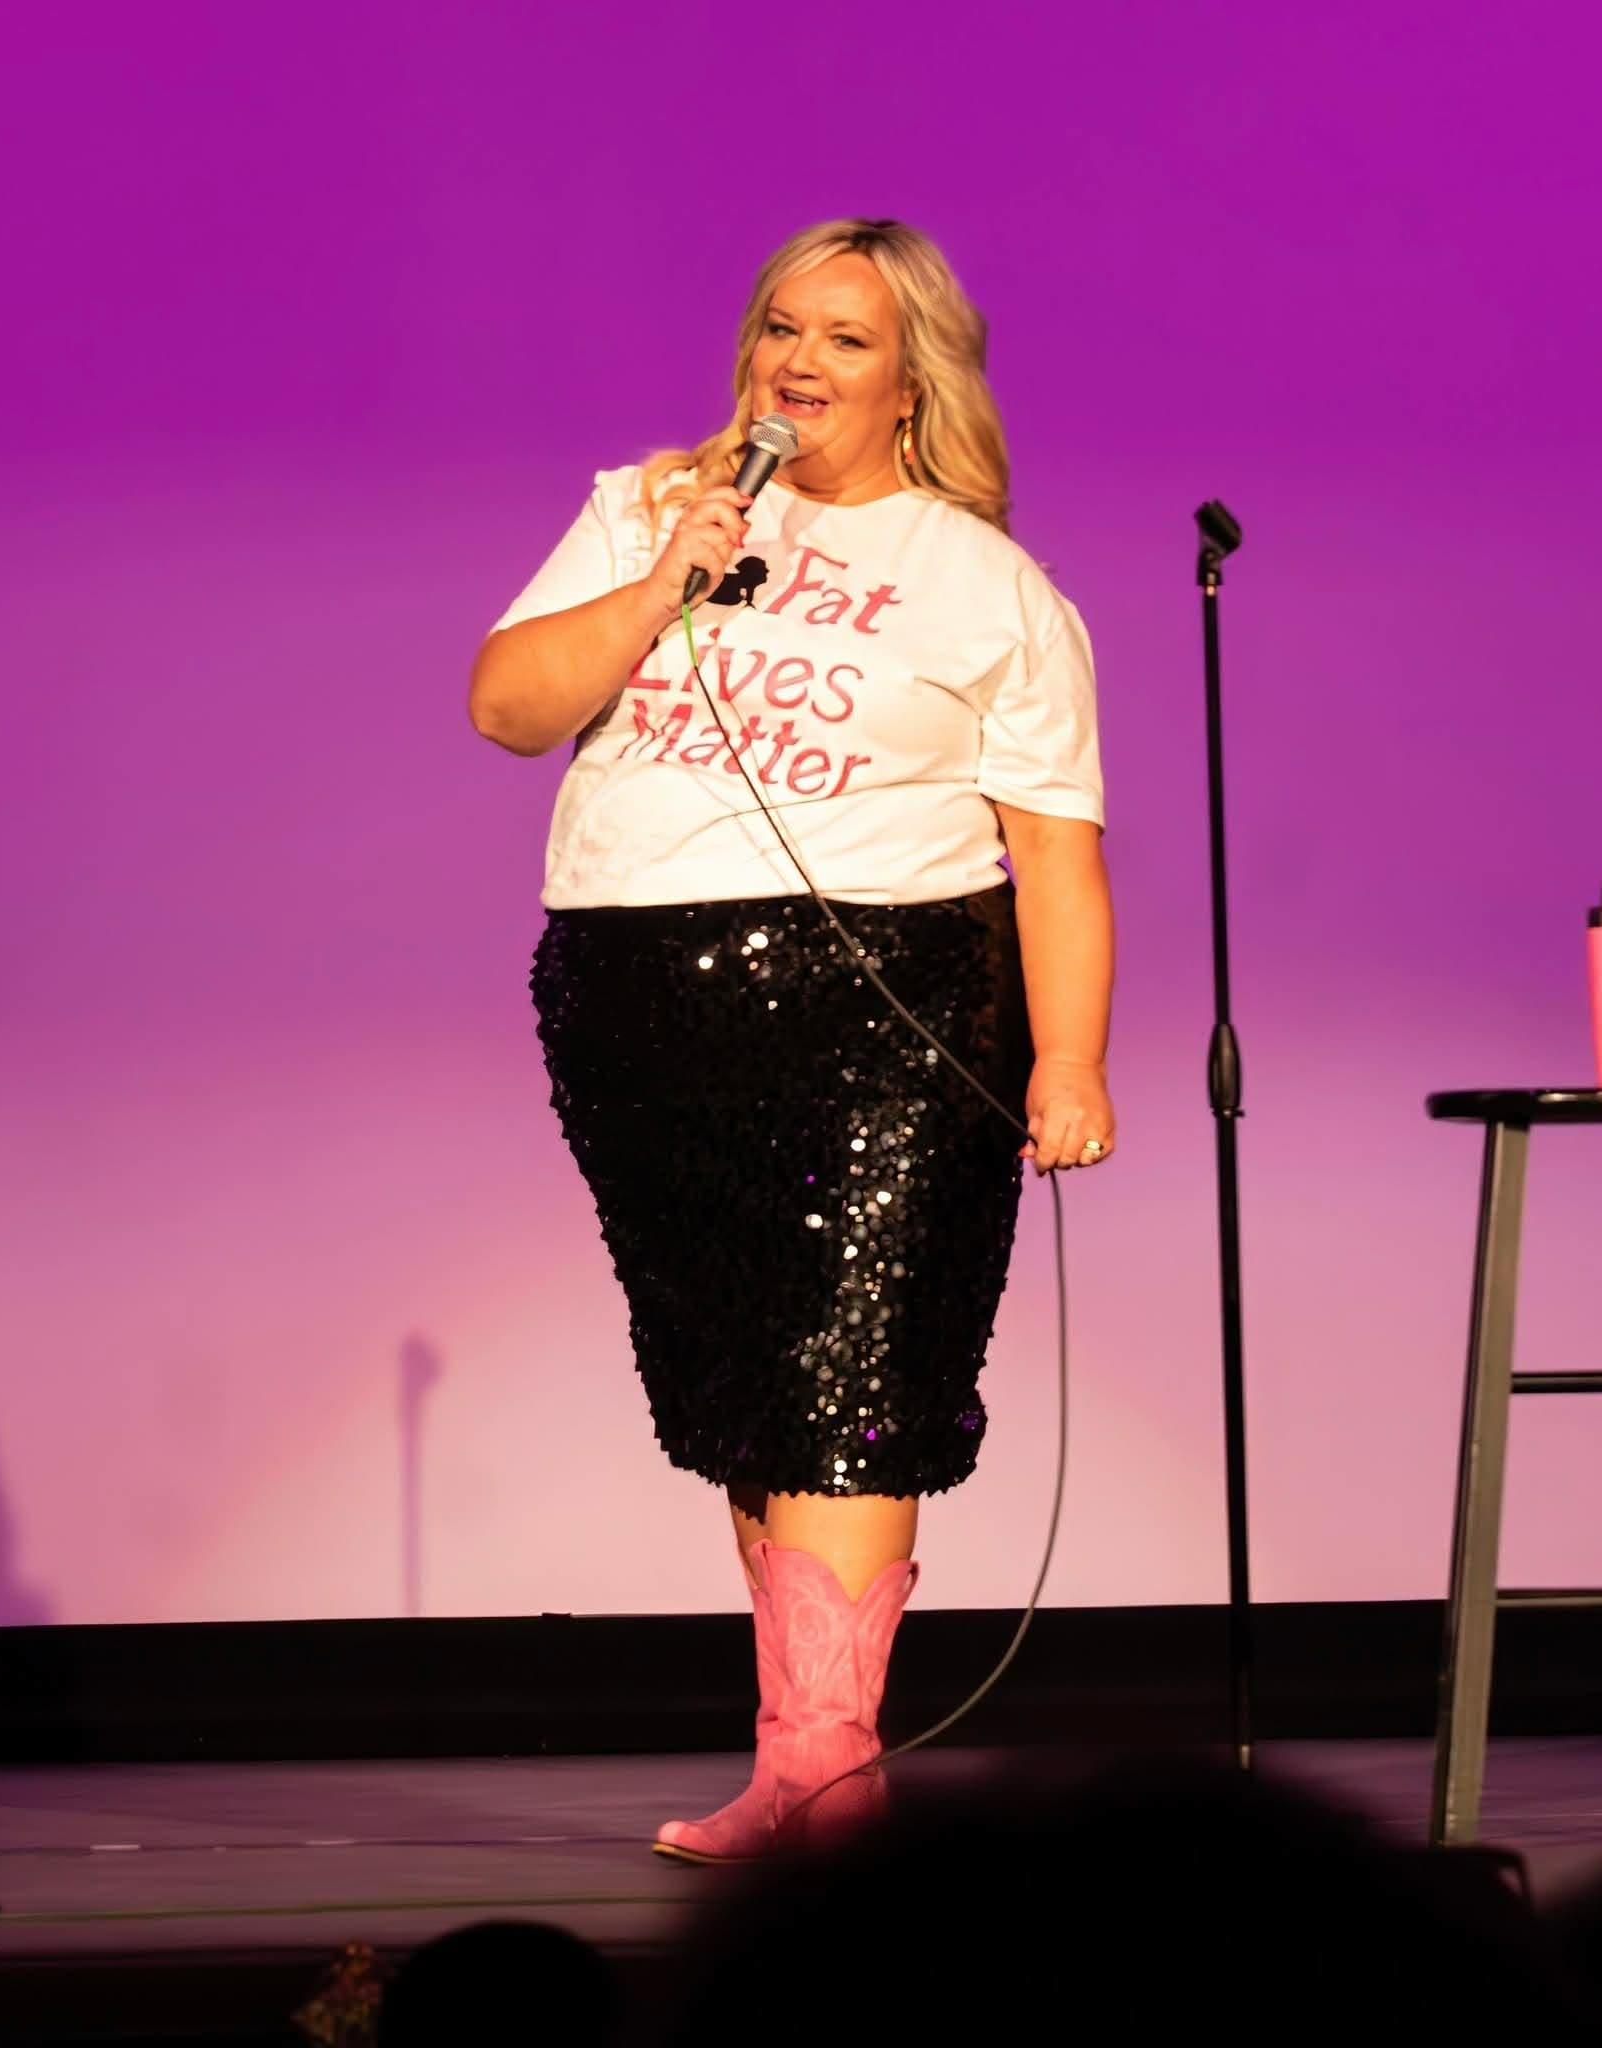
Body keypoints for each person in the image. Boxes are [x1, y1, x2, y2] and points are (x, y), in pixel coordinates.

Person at [469, 219, 1114, 1863]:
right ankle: (804, 1773)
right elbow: (508, 708)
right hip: (637, 1004)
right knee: (743, 1377)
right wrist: (667, 572)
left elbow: (1054, 852)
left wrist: (1070, 1061)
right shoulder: (643, 506)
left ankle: (822, 1782)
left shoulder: (990, 585)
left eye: (842, 338)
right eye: (780, 327)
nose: (797, 363)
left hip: (886, 1006)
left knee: (850, 1380)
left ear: (912, 379)